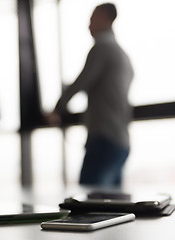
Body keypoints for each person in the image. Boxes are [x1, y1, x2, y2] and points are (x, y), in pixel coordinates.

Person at [48, 3, 134, 186]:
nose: (88, 24)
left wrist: (58, 107)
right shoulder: (123, 55)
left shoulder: (102, 49)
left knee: (88, 204)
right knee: (114, 205)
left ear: (105, 18)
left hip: (105, 138)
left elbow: (82, 82)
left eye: (92, 18)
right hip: (121, 140)